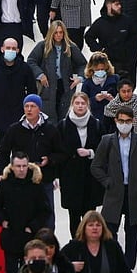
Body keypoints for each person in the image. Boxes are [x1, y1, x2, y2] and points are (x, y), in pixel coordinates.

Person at [90, 106, 137, 270]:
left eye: (127, 121)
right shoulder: (107, 141)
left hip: (134, 193)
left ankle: (128, 267)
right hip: (114, 193)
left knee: (132, 233)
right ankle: (114, 265)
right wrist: (106, 181)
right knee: (110, 232)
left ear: (133, 121)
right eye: (121, 121)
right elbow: (96, 166)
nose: (124, 124)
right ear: (115, 121)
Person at [0, 93, 67, 230]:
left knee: (47, 215)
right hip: (20, 179)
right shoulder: (15, 129)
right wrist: (1, 172)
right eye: (26, 106)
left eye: (33, 106)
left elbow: (61, 153)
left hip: (44, 179)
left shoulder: (50, 129)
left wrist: (50, 160)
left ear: (39, 109)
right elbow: (3, 152)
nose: (29, 109)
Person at [0, 152, 51, 273]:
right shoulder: (4, 184)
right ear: (12, 167)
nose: (22, 169)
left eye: (24, 166)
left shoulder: (36, 185)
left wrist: (32, 227)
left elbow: (45, 210)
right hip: (10, 237)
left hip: (31, 238)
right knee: (11, 270)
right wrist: (3, 221)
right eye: (18, 166)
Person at [57, 92, 105, 234]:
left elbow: (103, 149)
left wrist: (90, 153)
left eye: (83, 103)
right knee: (73, 216)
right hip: (71, 178)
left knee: (90, 216)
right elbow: (58, 150)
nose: (80, 106)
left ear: (87, 105)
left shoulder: (96, 125)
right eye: (77, 103)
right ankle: (76, 245)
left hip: (91, 178)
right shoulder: (63, 126)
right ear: (72, 105)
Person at [0, 37, 38, 146]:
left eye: (13, 48)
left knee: (19, 147)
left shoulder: (24, 68)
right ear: (2, 49)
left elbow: (32, 89)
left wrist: (27, 108)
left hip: (19, 114)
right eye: (8, 48)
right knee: (2, 146)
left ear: (18, 50)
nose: (11, 50)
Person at [27, 21, 86, 119]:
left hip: (66, 85)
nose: (58, 35)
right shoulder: (43, 46)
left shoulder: (70, 46)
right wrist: (40, 74)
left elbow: (83, 64)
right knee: (49, 115)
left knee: (64, 115)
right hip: (48, 85)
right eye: (56, 32)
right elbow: (31, 61)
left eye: (61, 32)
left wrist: (79, 78)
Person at [60, 210, 132, 273]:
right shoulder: (74, 246)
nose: (95, 228)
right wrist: (69, 266)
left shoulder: (112, 246)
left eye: (98, 225)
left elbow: (125, 271)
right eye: (91, 225)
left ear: (103, 228)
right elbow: (54, 263)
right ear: (84, 228)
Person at [85, 0, 135, 83]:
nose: (119, 7)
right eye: (116, 4)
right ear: (108, 5)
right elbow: (89, 36)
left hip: (124, 63)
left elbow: (133, 40)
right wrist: (99, 50)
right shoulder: (100, 23)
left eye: (120, 4)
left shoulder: (127, 21)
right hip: (106, 64)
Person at [81, 52, 120, 132]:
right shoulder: (87, 83)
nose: (100, 71)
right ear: (92, 69)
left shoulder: (115, 79)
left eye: (102, 69)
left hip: (113, 120)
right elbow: (83, 103)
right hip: (95, 120)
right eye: (97, 70)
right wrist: (95, 99)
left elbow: (123, 98)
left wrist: (113, 99)